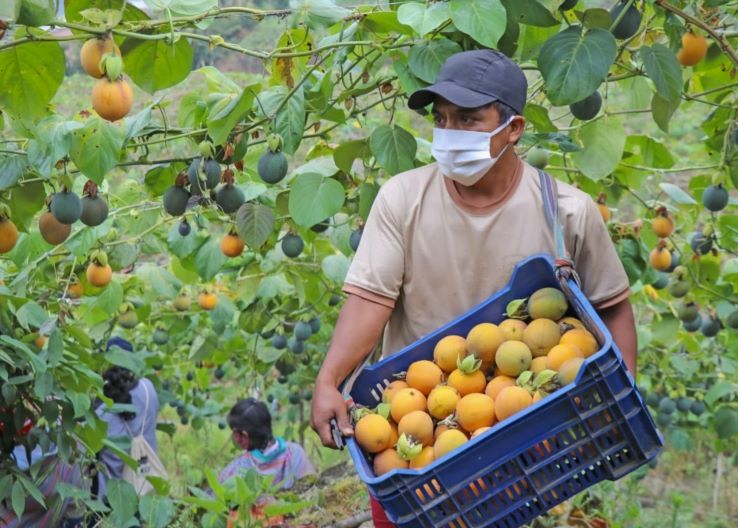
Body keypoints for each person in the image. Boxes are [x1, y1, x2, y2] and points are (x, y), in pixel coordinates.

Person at [310, 49, 637, 526]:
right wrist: (328, 379)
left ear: (514, 128)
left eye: (467, 119)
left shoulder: (566, 212)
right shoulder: (403, 198)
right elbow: (370, 299)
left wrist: (617, 400)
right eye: (441, 119)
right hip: (416, 423)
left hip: (517, 427)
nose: (449, 133)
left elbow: (611, 307)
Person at [94, 337, 160, 498]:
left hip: (112, 493)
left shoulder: (101, 410)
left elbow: (92, 449)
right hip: (145, 481)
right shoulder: (147, 388)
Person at [219, 398, 314, 489]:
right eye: (235, 434)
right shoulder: (241, 465)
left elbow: (309, 489)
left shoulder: (293, 455)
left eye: (240, 434)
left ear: (254, 432)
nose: (237, 440)